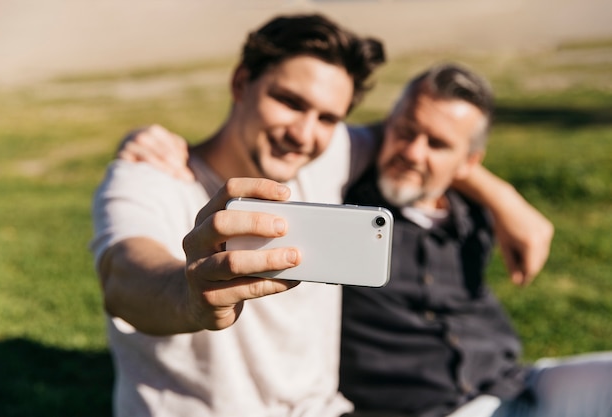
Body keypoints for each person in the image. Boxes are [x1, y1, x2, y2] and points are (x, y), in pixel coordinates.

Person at [94, 13, 553, 417]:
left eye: (327, 118)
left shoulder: (328, 154)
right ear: (240, 83)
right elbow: (125, 278)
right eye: (289, 102)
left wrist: (505, 199)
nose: (304, 134)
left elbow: (427, 145)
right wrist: (190, 294)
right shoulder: (148, 178)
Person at [338, 64, 612, 417]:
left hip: (519, 385)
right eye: (406, 130)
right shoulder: (346, 207)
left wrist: (502, 197)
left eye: (437, 143)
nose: (413, 152)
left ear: (469, 162)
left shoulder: (472, 213)